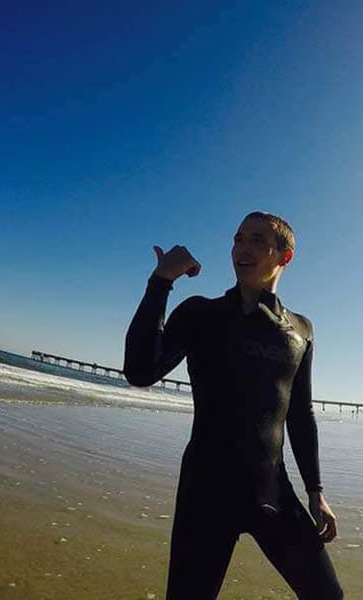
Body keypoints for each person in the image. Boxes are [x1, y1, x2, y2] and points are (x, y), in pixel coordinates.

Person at [123, 212, 344, 599]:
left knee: (328, 596)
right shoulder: (201, 314)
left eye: (257, 240)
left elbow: (300, 414)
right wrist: (161, 283)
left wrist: (316, 491)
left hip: (273, 492)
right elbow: (140, 371)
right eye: (238, 239)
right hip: (206, 493)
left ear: (284, 256)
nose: (242, 248)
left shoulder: (301, 330)